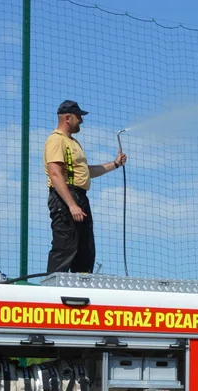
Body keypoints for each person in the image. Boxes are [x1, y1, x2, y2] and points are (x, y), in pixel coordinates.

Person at [44, 100, 127, 274]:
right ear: (67, 118)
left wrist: (115, 164)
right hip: (66, 197)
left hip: (80, 197)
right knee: (65, 247)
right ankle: (52, 292)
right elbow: (55, 174)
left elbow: (85, 171)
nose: (81, 120)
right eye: (78, 117)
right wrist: (71, 205)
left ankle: (81, 288)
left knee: (85, 250)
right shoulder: (55, 140)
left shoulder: (73, 143)